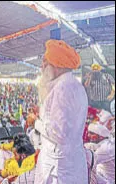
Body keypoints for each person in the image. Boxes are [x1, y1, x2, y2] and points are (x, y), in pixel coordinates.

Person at [34, 39, 88, 183]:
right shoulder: (75, 86)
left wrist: (36, 123)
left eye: (45, 61)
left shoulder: (62, 89)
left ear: (56, 65)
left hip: (59, 170)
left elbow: (59, 134)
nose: (42, 66)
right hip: (69, 165)